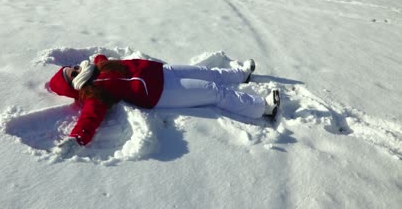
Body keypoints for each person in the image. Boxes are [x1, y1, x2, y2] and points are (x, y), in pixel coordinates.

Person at [48, 54, 280, 157]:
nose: (79, 68)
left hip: (162, 71)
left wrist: (98, 60)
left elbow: (98, 57)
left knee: (207, 73)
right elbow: (90, 118)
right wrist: (77, 138)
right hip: (162, 93)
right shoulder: (94, 94)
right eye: (74, 73)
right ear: (74, 86)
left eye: (74, 67)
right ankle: (263, 108)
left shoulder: (99, 66)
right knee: (213, 92)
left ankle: (241, 75)